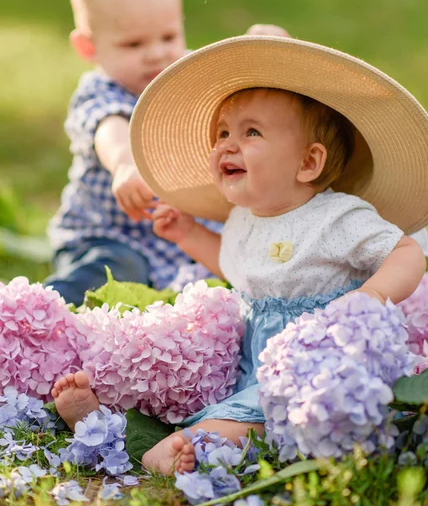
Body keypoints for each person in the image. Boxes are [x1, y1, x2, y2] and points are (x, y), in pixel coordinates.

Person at [52, 35, 428, 475]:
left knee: (260, 419)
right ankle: (109, 421)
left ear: (308, 163)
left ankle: (185, 445)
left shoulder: (338, 216)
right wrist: (188, 233)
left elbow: (405, 252)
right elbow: (236, 269)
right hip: (248, 359)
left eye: (250, 132)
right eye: (223, 132)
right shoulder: (243, 219)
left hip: (315, 365)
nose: (227, 145)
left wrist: (370, 298)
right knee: (189, 386)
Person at [45, 0, 288, 305]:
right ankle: (36, 316)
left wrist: (260, 53)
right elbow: (108, 128)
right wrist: (125, 164)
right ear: (89, 47)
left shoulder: (186, 75)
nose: (157, 54)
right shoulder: (100, 90)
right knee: (117, 272)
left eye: (169, 36)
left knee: (237, 276)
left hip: (184, 240)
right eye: (134, 44)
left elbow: (235, 88)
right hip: (113, 237)